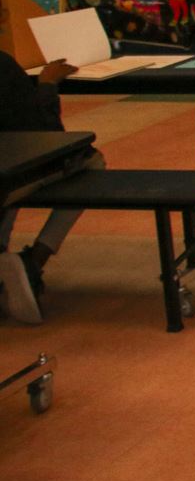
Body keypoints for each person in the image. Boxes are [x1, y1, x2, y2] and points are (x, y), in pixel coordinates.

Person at [0, 51, 102, 324]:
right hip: (11, 178)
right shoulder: (4, 66)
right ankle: (35, 260)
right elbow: (45, 136)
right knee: (91, 161)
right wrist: (46, 86)